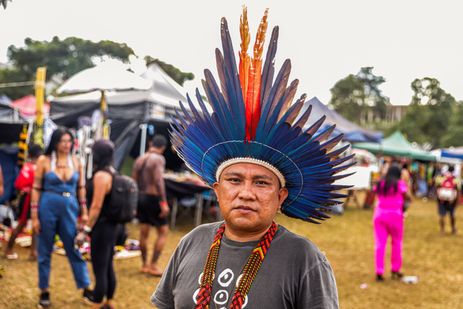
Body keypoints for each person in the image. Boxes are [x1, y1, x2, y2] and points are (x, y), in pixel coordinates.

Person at [151, 8, 352, 308]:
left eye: (261, 182)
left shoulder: (304, 260)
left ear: (281, 195)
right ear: (217, 189)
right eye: (234, 180)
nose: (246, 193)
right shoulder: (191, 243)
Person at [30, 128, 92, 308]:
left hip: (70, 207)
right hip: (47, 206)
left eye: (69, 141)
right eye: (63, 141)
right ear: (55, 142)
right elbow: (35, 188)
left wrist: (84, 211)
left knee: (73, 247)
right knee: (44, 249)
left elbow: (81, 188)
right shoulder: (44, 160)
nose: (67, 144)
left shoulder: (76, 161)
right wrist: (34, 216)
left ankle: (86, 287)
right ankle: (44, 291)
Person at [76, 140, 119, 309]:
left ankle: (97, 302)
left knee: (99, 267)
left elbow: (96, 206)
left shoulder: (101, 176)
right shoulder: (112, 171)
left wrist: (86, 230)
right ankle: (109, 301)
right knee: (108, 265)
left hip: (101, 227)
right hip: (111, 226)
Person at [132, 134, 169, 276]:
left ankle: (144, 265)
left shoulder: (140, 159)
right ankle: (153, 265)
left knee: (144, 232)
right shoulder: (158, 159)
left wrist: (134, 202)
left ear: (150, 143)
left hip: (140, 197)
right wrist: (163, 202)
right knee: (163, 232)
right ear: (163, 148)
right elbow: (159, 181)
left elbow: (134, 182)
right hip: (153, 198)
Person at [4, 143, 43, 260]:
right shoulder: (32, 167)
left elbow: (18, 185)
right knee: (22, 224)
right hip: (28, 199)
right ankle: (8, 249)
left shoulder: (28, 166)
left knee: (35, 225)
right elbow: (21, 185)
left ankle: (33, 252)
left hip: (31, 198)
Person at [373, 164, 410, 281]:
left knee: (380, 244)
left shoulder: (381, 183)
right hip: (395, 215)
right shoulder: (400, 184)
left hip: (380, 215)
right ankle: (395, 269)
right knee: (397, 243)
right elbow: (408, 197)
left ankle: (379, 270)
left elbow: (374, 192)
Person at [436, 165, 459, 234]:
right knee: (452, 215)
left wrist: (439, 199)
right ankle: (453, 229)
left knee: (442, 215)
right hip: (451, 201)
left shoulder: (441, 178)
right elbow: (457, 191)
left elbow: (437, 189)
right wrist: (456, 201)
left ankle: (442, 230)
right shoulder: (456, 179)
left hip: (441, 200)